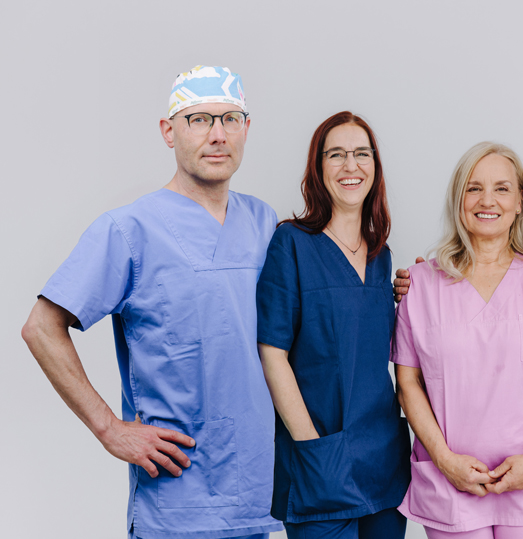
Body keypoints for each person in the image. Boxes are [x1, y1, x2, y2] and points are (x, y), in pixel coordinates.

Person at [21, 65, 283, 539]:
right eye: (198, 119)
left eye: (230, 119)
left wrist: (406, 288)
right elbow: (41, 327)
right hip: (177, 502)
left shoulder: (265, 223)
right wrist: (109, 428)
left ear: (247, 128)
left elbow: (314, 311)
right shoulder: (129, 230)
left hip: (255, 497)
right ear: (169, 131)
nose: (217, 135)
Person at [392, 142, 523, 539]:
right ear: (458, 198)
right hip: (450, 481)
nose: (487, 200)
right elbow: (408, 384)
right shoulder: (420, 284)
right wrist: (444, 459)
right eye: (473, 188)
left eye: (502, 188)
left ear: (520, 200)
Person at [256, 111, 411, 539]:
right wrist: (310, 446)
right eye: (336, 155)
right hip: (319, 458)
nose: (350, 166)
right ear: (318, 167)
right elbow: (272, 353)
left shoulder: (382, 256)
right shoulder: (291, 243)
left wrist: (419, 294)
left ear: (374, 167)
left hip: (381, 460)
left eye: (362, 154)